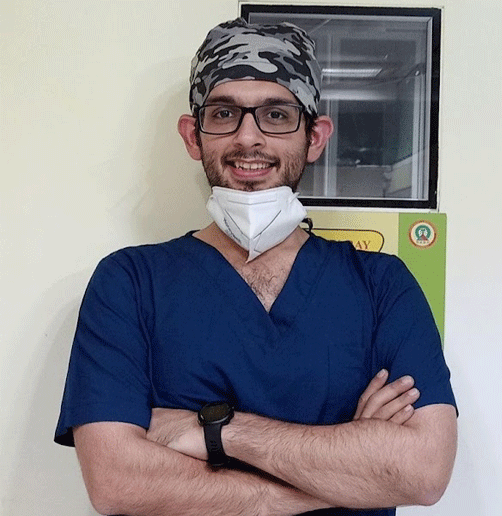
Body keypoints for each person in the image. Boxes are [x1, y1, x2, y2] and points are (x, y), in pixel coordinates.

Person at [55, 18, 457, 516]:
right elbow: (116, 482)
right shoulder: (130, 282)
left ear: (315, 137)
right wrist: (346, 471)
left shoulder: (382, 285)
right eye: (224, 113)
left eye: (277, 114)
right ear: (193, 136)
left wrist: (217, 431)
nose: (249, 138)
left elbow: (423, 471)